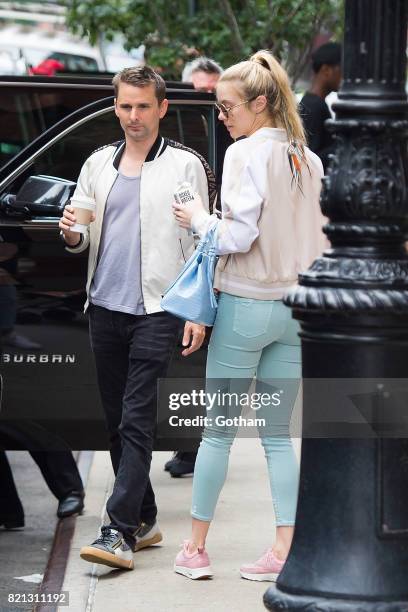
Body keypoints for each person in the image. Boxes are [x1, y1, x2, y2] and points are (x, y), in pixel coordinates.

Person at [172, 50, 326, 581]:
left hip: (246, 305)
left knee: (217, 434)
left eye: (227, 106)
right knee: (278, 435)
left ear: (259, 103)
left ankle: (194, 550)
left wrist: (197, 217)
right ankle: (283, 551)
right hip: (294, 309)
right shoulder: (307, 157)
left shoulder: (246, 154)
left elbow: (236, 236)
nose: (222, 116)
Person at [59, 65, 216, 571]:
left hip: (158, 307)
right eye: (125, 106)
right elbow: (82, 234)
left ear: (162, 108)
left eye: (143, 106)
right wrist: (70, 234)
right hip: (104, 305)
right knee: (114, 422)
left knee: (136, 418)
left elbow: (199, 242)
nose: (133, 116)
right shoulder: (97, 164)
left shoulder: (184, 165)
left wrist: (199, 310)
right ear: (116, 107)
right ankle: (145, 518)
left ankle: (118, 530)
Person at [165, 56, 224, 479]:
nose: (209, 101)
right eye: (200, 91)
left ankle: (194, 446)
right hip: (182, 247)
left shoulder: (231, 133)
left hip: (219, 246)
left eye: (214, 94)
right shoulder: (176, 136)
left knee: (197, 359)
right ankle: (189, 444)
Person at [300, 42, 342, 170]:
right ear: (326, 70)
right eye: (342, 70)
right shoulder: (314, 107)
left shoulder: (311, 103)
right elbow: (310, 158)